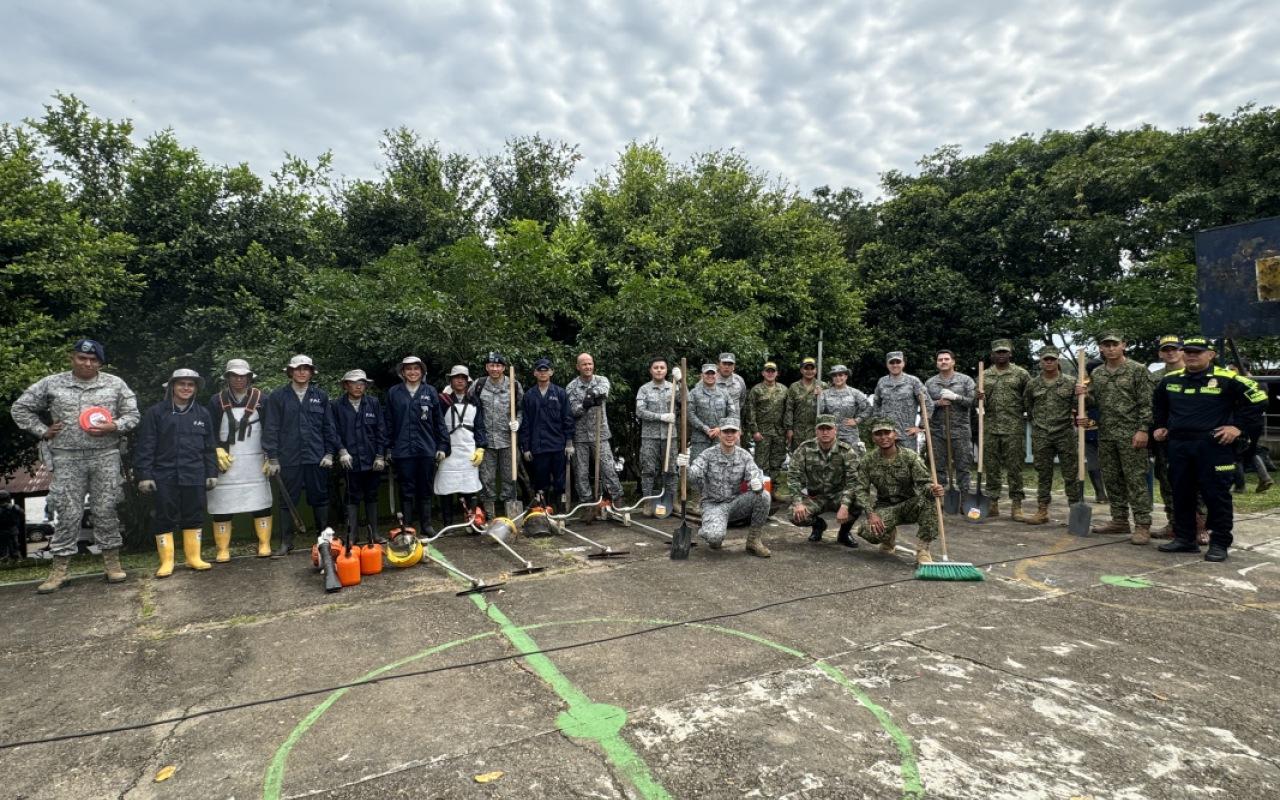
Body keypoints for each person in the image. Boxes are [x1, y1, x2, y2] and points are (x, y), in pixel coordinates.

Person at [11, 339, 140, 594]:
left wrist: (115, 426)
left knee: (105, 509)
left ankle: (112, 564)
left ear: (100, 363)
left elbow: (133, 415)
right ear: (73, 359)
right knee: (67, 512)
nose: (88, 363)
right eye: (82, 358)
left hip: (105, 455)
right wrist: (42, 431)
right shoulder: (52, 383)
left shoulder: (114, 384)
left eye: (94, 360)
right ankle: (60, 570)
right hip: (67, 457)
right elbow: (20, 408)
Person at [1153, 336, 1267, 562]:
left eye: (1197, 352)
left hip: (1213, 446)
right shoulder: (1170, 380)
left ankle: (1220, 543)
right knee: (1181, 494)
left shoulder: (1227, 378)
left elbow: (1260, 398)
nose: (1192, 355)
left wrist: (1237, 426)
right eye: (1188, 352)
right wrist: (1160, 426)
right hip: (1179, 446)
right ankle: (1185, 538)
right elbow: (1159, 405)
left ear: (1210, 355)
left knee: (1216, 496)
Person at [134, 369, 219, 577]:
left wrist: (211, 472)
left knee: (194, 516)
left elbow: (209, 446)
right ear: (172, 386)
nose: (186, 388)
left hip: (195, 474)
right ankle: (167, 562)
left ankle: (193, 558)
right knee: (164, 516)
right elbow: (146, 445)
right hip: (164, 475)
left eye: (191, 384)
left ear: (196, 388)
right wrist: (144, 474)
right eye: (181, 383)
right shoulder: (157, 412)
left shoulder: (202, 413)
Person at [1076, 331, 1155, 544]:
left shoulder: (1138, 371)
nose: (1110, 348)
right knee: (1112, 478)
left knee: (1135, 479)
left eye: (1114, 344)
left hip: (1131, 434)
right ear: (1101, 348)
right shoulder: (1099, 373)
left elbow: (1147, 404)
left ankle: (1142, 524)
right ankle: (1119, 519)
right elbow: (1095, 402)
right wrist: (1083, 395)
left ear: (1123, 346)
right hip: (1107, 434)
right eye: (1106, 345)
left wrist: (1143, 430)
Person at [262, 355, 339, 556]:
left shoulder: (320, 396)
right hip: (289, 458)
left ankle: (324, 542)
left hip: (316, 456)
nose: (302, 372)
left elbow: (328, 426)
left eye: (306, 369)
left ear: (311, 372)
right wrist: (272, 457)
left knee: (320, 499)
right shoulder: (278, 397)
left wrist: (330, 452)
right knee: (287, 500)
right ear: (290, 372)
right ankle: (287, 543)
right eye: (298, 369)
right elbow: (271, 428)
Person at [852, 417, 947, 567]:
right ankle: (888, 537)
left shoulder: (910, 457)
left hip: (910, 505)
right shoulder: (868, 460)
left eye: (887, 433)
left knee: (931, 501)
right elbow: (861, 490)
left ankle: (923, 549)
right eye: (878, 434)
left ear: (895, 435)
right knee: (867, 531)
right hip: (885, 506)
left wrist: (933, 489)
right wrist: (871, 514)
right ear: (873, 438)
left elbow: (924, 483)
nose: (883, 437)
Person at [207, 359, 274, 558]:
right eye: (234, 375)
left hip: (255, 461)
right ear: (227, 377)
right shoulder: (215, 400)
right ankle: (223, 549)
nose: (238, 379)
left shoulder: (263, 399)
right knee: (222, 504)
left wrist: (271, 455)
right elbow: (208, 430)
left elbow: (271, 429)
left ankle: (264, 544)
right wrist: (215, 449)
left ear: (249, 377)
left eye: (242, 375)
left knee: (260, 502)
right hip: (226, 461)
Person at [677, 417, 772, 556]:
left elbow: (754, 476)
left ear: (738, 434)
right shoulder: (708, 455)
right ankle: (709, 528)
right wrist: (684, 468)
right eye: (726, 431)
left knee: (763, 496)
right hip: (712, 504)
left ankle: (754, 540)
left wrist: (757, 484)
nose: (729, 435)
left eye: (733, 432)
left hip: (735, 504)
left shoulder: (744, 456)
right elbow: (692, 477)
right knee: (715, 539)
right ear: (719, 434)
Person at [384, 356, 450, 537]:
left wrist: (442, 446)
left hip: (426, 448)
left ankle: (426, 525)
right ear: (402, 372)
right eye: (408, 369)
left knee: (424, 487)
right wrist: (388, 448)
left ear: (422, 371)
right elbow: (388, 422)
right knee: (405, 488)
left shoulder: (430, 392)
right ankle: (407, 526)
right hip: (403, 450)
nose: (412, 372)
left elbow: (438, 422)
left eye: (416, 368)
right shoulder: (394, 393)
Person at [1022, 346, 1080, 524]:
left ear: (1058, 361)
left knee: (1071, 474)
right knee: (1043, 473)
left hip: (1065, 433)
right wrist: (1039, 423)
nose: (1049, 362)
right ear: (1040, 361)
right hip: (1041, 434)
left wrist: (1084, 393)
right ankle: (1042, 510)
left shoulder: (1071, 382)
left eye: (1052, 359)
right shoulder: (1032, 384)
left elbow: (1083, 404)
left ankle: (1076, 510)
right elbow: (1028, 406)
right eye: (1045, 359)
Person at [974, 339, 1030, 520]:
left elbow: (1029, 398)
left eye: (1004, 351)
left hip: (1013, 427)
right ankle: (993, 503)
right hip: (990, 426)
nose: (1001, 354)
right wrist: (979, 397)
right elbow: (977, 403)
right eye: (998, 352)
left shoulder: (1021, 374)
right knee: (991, 467)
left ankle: (1016, 505)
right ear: (992, 354)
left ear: (1010, 353)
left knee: (1015, 467)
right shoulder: (985, 375)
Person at [331, 369, 387, 546]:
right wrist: (341, 451)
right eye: (354, 383)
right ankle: (352, 535)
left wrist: (380, 455)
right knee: (351, 497)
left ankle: (374, 534)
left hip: (372, 460)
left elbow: (381, 431)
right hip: (350, 460)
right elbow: (334, 432)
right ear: (346, 385)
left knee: (371, 496)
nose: (358, 387)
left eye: (361, 384)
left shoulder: (373, 403)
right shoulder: (336, 406)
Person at [566, 353, 625, 519]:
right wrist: (583, 407)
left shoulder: (601, 380)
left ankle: (617, 500)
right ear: (578, 367)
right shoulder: (571, 387)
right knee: (581, 472)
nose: (588, 367)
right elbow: (570, 410)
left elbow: (603, 390)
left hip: (600, 433)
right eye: (584, 364)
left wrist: (592, 394)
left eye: (590, 364)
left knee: (608, 468)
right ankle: (587, 505)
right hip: (580, 436)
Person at [789, 415, 862, 547]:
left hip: (837, 495)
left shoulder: (846, 451)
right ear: (816, 431)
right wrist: (797, 502)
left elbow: (854, 480)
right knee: (794, 514)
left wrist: (845, 505)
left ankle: (844, 533)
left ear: (836, 430)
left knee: (858, 501)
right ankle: (818, 525)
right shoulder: (805, 448)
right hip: (814, 496)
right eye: (821, 429)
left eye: (828, 428)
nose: (825, 432)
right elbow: (793, 476)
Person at [471, 353, 524, 519]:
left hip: (508, 439)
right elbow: (468, 406)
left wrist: (518, 422)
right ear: (487, 367)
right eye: (491, 366)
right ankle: (490, 515)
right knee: (486, 478)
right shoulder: (478, 385)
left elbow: (522, 408)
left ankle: (511, 514)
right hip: (486, 441)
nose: (495, 369)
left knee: (510, 477)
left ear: (503, 368)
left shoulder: (513, 385)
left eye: (498, 366)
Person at [518, 359, 575, 512]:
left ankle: (562, 513)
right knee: (541, 483)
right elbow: (526, 424)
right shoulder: (529, 396)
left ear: (551, 372)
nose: (543, 373)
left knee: (560, 482)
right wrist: (526, 447)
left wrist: (569, 442)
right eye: (539, 371)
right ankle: (544, 512)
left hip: (558, 445)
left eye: (546, 370)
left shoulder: (560, 393)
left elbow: (567, 418)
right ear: (535, 373)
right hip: (539, 447)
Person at [435, 365, 487, 528]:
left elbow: (479, 425)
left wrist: (481, 447)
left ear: (467, 381)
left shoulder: (474, 400)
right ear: (451, 380)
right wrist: (438, 448)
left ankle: (470, 520)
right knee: (446, 488)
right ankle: (447, 523)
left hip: (468, 448)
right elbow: (436, 425)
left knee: (469, 486)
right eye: (456, 377)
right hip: (448, 450)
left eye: (463, 378)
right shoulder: (442, 400)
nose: (459, 380)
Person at [924, 350, 976, 500]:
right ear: (937, 363)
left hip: (960, 431)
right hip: (937, 432)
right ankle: (940, 498)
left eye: (946, 359)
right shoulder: (930, 383)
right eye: (940, 360)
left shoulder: (965, 381)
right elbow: (924, 405)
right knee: (938, 467)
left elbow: (972, 402)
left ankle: (965, 498)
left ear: (953, 361)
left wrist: (956, 397)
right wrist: (937, 403)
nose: (943, 362)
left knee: (963, 466)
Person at [686, 363, 738, 505]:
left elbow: (732, 412)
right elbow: (690, 414)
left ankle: (720, 498)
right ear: (702, 375)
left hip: (719, 439)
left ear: (717, 375)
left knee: (721, 468)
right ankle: (696, 501)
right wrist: (705, 428)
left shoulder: (724, 393)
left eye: (712, 373)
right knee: (697, 468)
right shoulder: (694, 393)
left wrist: (719, 429)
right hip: (700, 438)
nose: (710, 376)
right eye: (707, 373)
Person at [634, 357, 680, 516]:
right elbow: (640, 411)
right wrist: (660, 417)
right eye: (656, 367)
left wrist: (680, 381)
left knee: (672, 470)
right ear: (650, 371)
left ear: (666, 370)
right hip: (650, 437)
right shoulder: (644, 389)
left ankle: (673, 500)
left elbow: (687, 400)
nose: (659, 370)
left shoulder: (673, 388)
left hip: (670, 436)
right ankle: (647, 501)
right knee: (648, 469)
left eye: (662, 367)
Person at [745, 361, 789, 499]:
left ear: (776, 373)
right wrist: (754, 430)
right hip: (762, 431)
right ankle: (762, 491)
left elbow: (788, 411)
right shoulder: (756, 390)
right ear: (763, 373)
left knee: (777, 462)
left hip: (779, 431)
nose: (770, 373)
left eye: (773, 371)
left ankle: (774, 490)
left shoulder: (783, 390)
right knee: (761, 463)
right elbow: (750, 411)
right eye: (767, 371)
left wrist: (788, 429)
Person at [871, 351, 930, 453]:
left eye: (898, 362)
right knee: (886, 464)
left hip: (906, 434)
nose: (895, 365)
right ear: (887, 365)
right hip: (886, 434)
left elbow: (928, 404)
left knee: (909, 464)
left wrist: (920, 426)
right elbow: (876, 404)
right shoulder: (882, 382)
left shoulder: (913, 382)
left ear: (903, 363)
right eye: (892, 362)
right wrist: (877, 425)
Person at [818, 365, 871, 453]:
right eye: (834, 375)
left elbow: (869, 408)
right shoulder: (824, 394)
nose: (837, 378)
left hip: (850, 435)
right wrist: (817, 397)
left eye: (840, 375)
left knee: (853, 462)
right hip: (831, 435)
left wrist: (857, 420)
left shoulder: (855, 393)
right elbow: (818, 411)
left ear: (846, 376)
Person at [783, 357, 826, 451]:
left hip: (816, 429)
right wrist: (789, 429)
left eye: (812, 368)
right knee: (798, 458)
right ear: (801, 370)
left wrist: (821, 395)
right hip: (798, 431)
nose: (809, 371)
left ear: (816, 370)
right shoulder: (794, 387)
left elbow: (827, 409)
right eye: (806, 368)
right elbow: (789, 409)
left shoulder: (823, 386)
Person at [0, 491, 24, 562]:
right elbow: (21, 514)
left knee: (2, 549)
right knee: (14, 547)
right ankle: (15, 560)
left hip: (1, 531)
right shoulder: (13, 507)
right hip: (12, 530)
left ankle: (3, 560)